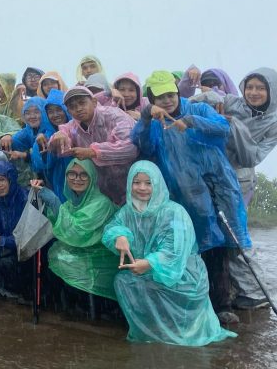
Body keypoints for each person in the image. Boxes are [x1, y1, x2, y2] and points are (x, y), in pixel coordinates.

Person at [131, 70, 249, 325]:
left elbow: (223, 128)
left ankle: (222, 305)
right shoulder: (155, 122)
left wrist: (192, 121)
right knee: (190, 248)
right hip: (184, 196)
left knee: (220, 246)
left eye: (171, 94)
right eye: (160, 96)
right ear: (152, 98)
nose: (168, 100)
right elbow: (142, 143)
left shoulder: (198, 109)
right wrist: (144, 117)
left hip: (217, 187)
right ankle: (197, 303)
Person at [102, 161, 236, 346]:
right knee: (123, 281)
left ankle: (177, 329)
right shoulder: (128, 211)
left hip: (184, 274)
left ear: (157, 184)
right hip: (149, 268)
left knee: (146, 283)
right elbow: (112, 227)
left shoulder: (174, 212)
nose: (142, 188)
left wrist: (150, 263)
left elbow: (174, 252)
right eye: (136, 182)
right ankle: (150, 330)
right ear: (129, 184)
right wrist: (120, 236)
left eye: (148, 183)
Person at [192, 67, 277, 310]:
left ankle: (255, 292)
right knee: (212, 233)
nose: (254, 92)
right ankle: (222, 290)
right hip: (212, 173)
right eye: (250, 87)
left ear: (272, 91)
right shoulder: (233, 103)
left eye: (261, 88)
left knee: (235, 236)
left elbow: (253, 157)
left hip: (240, 178)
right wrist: (207, 107)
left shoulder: (273, 122)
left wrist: (231, 126)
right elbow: (199, 99)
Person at [0, 161, 60, 303]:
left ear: (11, 178)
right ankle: (14, 291)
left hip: (34, 255)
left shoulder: (28, 199)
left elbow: (30, 239)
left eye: (1, 180)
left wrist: (1, 240)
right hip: (14, 251)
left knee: (3, 265)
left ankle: (27, 293)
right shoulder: (1, 202)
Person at [47, 159, 119, 316]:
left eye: (83, 175)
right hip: (82, 253)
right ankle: (72, 309)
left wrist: (54, 204)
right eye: (72, 174)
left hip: (100, 258)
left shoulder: (101, 204)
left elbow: (77, 231)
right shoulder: (71, 204)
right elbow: (59, 227)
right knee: (53, 254)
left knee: (64, 261)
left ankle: (87, 310)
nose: (77, 179)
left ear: (92, 178)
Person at [48, 86, 137, 205]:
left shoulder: (114, 115)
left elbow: (131, 147)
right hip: (103, 191)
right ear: (69, 111)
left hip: (133, 182)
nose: (78, 109)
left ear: (94, 102)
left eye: (82, 103)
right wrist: (58, 136)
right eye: (73, 107)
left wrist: (93, 152)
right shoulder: (73, 126)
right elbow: (60, 140)